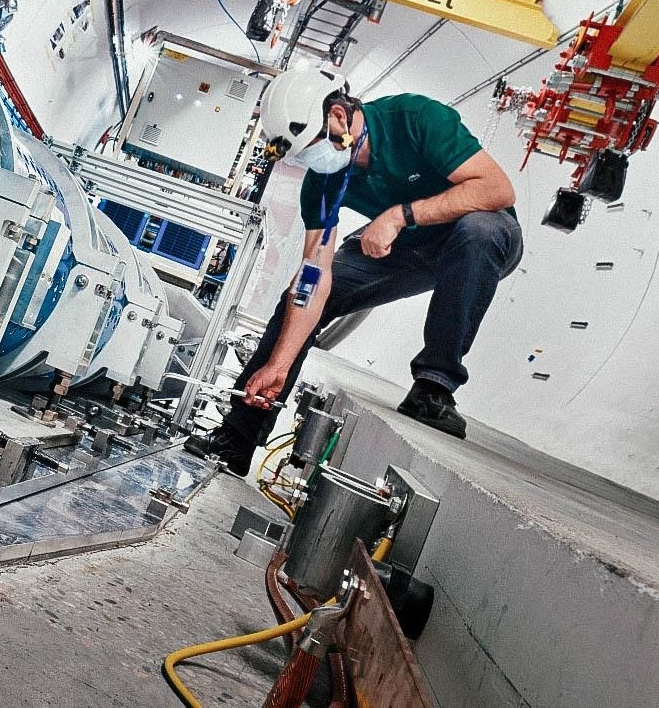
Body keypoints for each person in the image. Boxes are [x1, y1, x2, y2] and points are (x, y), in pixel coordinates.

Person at [190, 67, 523, 476]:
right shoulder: (324, 180)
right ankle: (238, 437)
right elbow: (314, 275)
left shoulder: (416, 117)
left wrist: (401, 215)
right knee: (301, 292)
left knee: (479, 230)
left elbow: (497, 189)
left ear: (337, 117)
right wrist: (279, 362)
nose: (313, 160)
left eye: (312, 146)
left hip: (479, 237)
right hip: (404, 250)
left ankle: (434, 388)